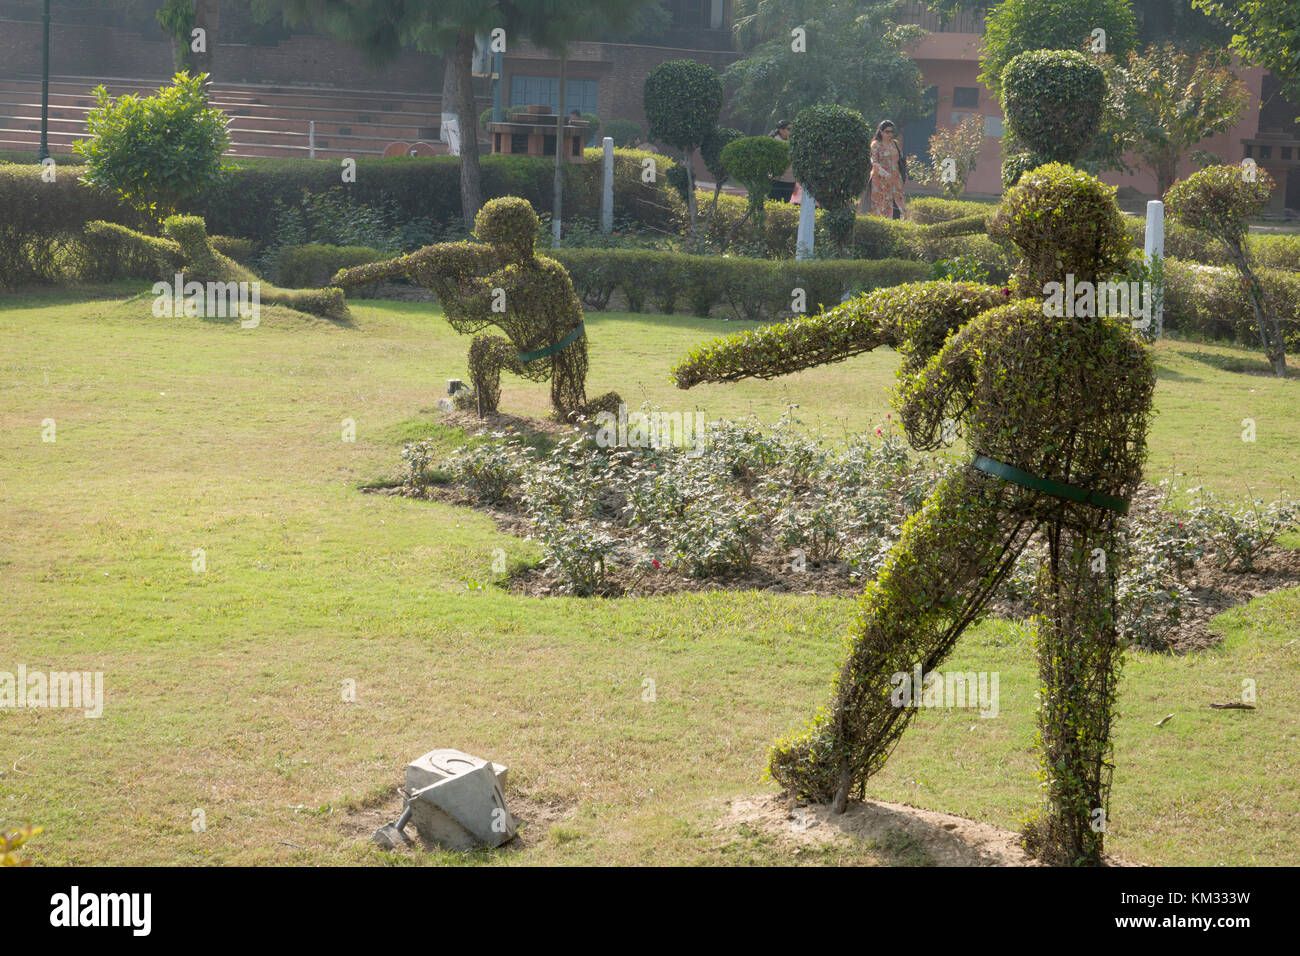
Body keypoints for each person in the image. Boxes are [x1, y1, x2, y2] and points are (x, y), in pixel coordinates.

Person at [869, 120, 907, 219]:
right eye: (887, 132)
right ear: (881, 132)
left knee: (897, 205)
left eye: (892, 132)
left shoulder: (895, 144)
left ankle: (896, 227)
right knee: (882, 207)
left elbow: (900, 159)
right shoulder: (875, 145)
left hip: (895, 180)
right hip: (881, 182)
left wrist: (903, 173)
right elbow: (874, 162)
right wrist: (884, 173)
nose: (890, 134)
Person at [768, 120, 796, 202]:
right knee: (773, 203)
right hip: (777, 179)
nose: (791, 131)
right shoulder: (773, 141)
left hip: (790, 180)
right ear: (781, 130)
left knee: (785, 203)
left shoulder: (793, 142)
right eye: (789, 129)